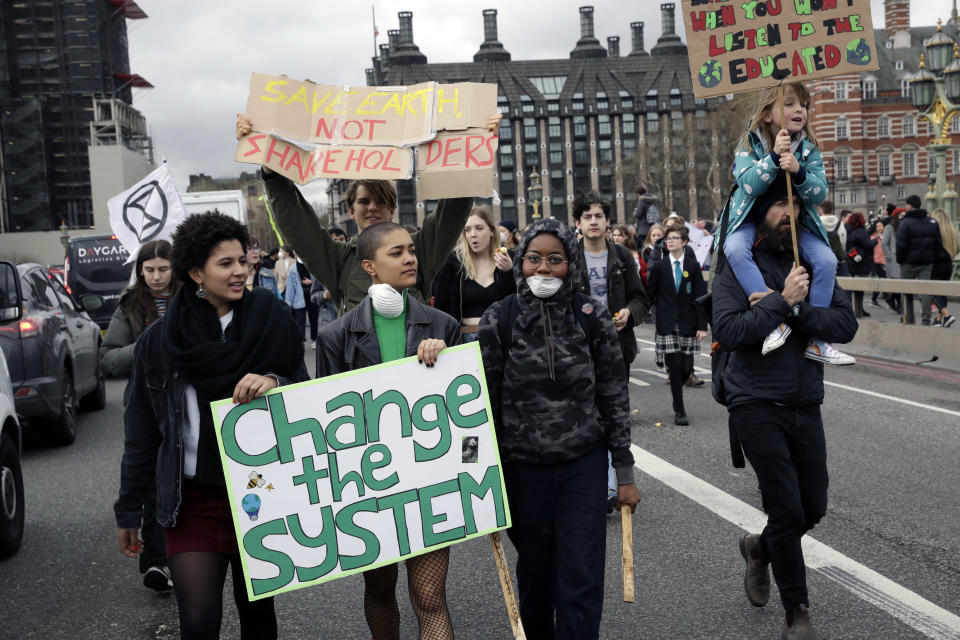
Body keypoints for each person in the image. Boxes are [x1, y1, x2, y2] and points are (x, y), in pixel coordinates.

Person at [115, 211, 308, 639]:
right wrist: (129, 510)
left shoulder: (272, 320)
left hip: (261, 493)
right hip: (192, 500)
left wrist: (275, 381)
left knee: (257, 617)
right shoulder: (160, 340)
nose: (239, 270)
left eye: (242, 260)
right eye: (226, 263)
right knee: (199, 621)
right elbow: (143, 433)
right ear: (196, 272)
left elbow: (307, 395)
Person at [478, 218, 641, 639]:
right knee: (537, 576)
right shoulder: (499, 318)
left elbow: (613, 392)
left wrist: (623, 470)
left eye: (555, 260)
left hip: (583, 465)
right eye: (533, 259)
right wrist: (481, 478)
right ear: (519, 262)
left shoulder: (591, 314)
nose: (544, 270)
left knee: (582, 576)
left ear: (571, 263)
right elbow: (484, 404)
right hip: (520, 469)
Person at [712, 178, 858, 640]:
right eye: (779, 205)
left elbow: (844, 323)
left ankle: (759, 548)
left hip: (804, 399)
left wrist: (793, 310)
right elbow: (730, 331)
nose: (789, 213)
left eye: (796, 204)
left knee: (812, 505)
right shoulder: (736, 265)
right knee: (787, 508)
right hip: (753, 401)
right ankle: (798, 613)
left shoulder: (812, 261)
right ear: (759, 212)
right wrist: (781, 300)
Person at [316, 221, 461, 640]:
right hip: (369, 485)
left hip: (430, 479)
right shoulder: (335, 336)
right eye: (396, 252)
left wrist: (447, 360)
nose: (410, 258)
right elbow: (329, 425)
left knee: (430, 596)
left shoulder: (442, 326)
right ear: (370, 267)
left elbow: (465, 410)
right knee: (379, 588)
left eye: (411, 250)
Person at [235, 112, 502, 316]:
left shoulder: (420, 249)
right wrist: (272, 170)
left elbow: (452, 214)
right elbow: (297, 223)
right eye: (364, 201)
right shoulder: (339, 259)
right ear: (351, 210)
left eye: (381, 201)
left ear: (392, 209)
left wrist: (475, 145)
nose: (372, 207)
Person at [723, 82, 853, 365]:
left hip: (794, 223)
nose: (800, 110)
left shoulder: (808, 149)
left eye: (804, 105)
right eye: (791, 103)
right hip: (752, 219)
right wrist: (772, 159)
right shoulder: (749, 144)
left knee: (827, 260)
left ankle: (816, 340)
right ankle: (772, 319)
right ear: (768, 114)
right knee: (733, 248)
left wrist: (798, 170)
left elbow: (820, 192)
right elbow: (748, 186)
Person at [100, 239, 179, 593]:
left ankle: (186, 555)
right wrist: (149, 342)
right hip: (147, 405)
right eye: (150, 270)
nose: (157, 277)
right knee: (151, 479)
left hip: (188, 403)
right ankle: (157, 562)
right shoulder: (130, 305)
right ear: (140, 270)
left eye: (163, 269)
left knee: (188, 479)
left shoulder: (194, 298)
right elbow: (109, 359)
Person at [573, 191, 651, 508]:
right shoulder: (568, 256)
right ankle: (594, 482)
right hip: (577, 349)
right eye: (587, 216)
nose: (594, 221)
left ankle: (608, 484)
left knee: (612, 416)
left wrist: (629, 313)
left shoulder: (621, 256)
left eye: (599, 216)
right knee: (583, 416)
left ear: (607, 221)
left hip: (616, 348)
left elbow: (640, 298)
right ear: (577, 223)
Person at [645, 224, 707, 426]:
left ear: (685, 242)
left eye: (675, 237)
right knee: (675, 364)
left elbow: (700, 296)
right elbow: (650, 294)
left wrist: (702, 326)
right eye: (667, 238)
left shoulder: (693, 265)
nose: (670, 241)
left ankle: (679, 380)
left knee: (686, 367)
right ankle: (679, 409)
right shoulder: (660, 267)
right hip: (667, 323)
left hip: (688, 322)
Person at [432, 205, 516, 342]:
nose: (473, 234)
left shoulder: (508, 258)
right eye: (467, 230)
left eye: (479, 228)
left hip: (501, 338)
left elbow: (517, 301)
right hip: (465, 338)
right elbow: (441, 308)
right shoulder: (454, 262)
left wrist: (508, 273)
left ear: (492, 231)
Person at [896, 195, 943, 325]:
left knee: (905, 290)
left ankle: (906, 318)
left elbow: (900, 245)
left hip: (908, 263)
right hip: (926, 263)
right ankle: (926, 320)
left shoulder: (905, 223)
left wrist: (900, 260)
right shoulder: (932, 222)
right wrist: (932, 258)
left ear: (909, 206)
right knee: (925, 291)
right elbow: (938, 244)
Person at [843, 212, 876, 318]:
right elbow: (868, 244)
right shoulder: (860, 232)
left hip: (851, 262)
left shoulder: (848, 231)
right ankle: (859, 309)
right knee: (860, 288)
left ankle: (855, 309)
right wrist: (877, 240)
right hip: (861, 263)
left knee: (853, 288)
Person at [930, 208, 958, 328]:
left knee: (932, 290)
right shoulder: (952, 231)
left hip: (936, 264)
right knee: (942, 292)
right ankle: (938, 320)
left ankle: (947, 315)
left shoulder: (934, 230)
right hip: (948, 264)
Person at [882, 209, 903, 312]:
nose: (903, 217)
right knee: (897, 283)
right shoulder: (889, 228)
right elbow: (884, 243)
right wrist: (889, 255)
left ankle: (896, 303)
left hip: (902, 259)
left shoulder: (904, 227)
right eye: (901, 215)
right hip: (893, 260)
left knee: (900, 283)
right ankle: (894, 301)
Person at [869, 219, 887, 307]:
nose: (878, 228)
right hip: (877, 262)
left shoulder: (887, 236)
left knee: (883, 280)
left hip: (886, 261)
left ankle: (875, 299)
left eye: (880, 226)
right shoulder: (874, 237)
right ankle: (875, 299)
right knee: (882, 280)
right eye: (877, 226)